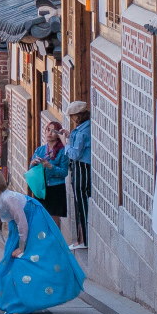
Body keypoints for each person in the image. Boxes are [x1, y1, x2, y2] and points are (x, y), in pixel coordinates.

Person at [0, 165, 85, 314]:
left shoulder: (8, 198)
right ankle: (19, 303)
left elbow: (22, 222)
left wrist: (22, 247)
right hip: (17, 227)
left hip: (34, 221)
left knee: (28, 260)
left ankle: (23, 305)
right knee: (9, 263)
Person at [29, 121, 70, 222]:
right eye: (48, 130)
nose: (49, 133)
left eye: (53, 131)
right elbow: (31, 170)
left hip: (56, 188)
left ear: (58, 135)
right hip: (41, 187)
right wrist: (33, 163)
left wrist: (51, 166)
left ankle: (55, 238)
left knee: (53, 219)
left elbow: (64, 172)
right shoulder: (40, 150)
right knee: (40, 218)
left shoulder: (63, 151)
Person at [64, 101, 92, 250]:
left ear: (79, 115)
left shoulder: (83, 131)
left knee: (81, 203)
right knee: (80, 203)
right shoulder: (82, 128)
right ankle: (81, 239)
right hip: (81, 168)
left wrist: (66, 144)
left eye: (73, 116)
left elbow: (75, 153)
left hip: (83, 168)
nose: (72, 119)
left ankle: (84, 240)